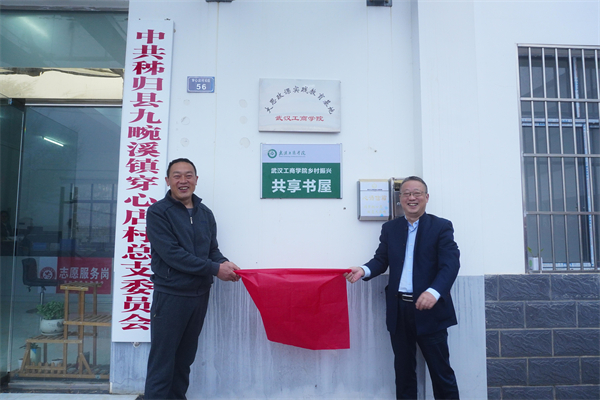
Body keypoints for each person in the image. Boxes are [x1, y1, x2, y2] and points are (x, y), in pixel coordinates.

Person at [345, 176, 460, 400]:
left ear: (426, 197)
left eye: (417, 193)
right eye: (406, 193)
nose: (411, 197)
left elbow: (450, 264)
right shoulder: (391, 228)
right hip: (399, 310)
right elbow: (381, 260)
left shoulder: (441, 227)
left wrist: (434, 292)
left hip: (430, 310)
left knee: (441, 372)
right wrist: (363, 270)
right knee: (403, 372)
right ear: (400, 199)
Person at [144, 158, 241, 400]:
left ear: (196, 180)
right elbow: (173, 255)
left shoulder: (205, 213)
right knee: (163, 360)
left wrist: (224, 263)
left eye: (188, 175)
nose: (183, 180)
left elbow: (212, 250)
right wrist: (215, 269)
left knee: (184, 359)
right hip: (171, 295)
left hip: (199, 295)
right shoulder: (158, 212)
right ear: (167, 181)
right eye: (177, 176)